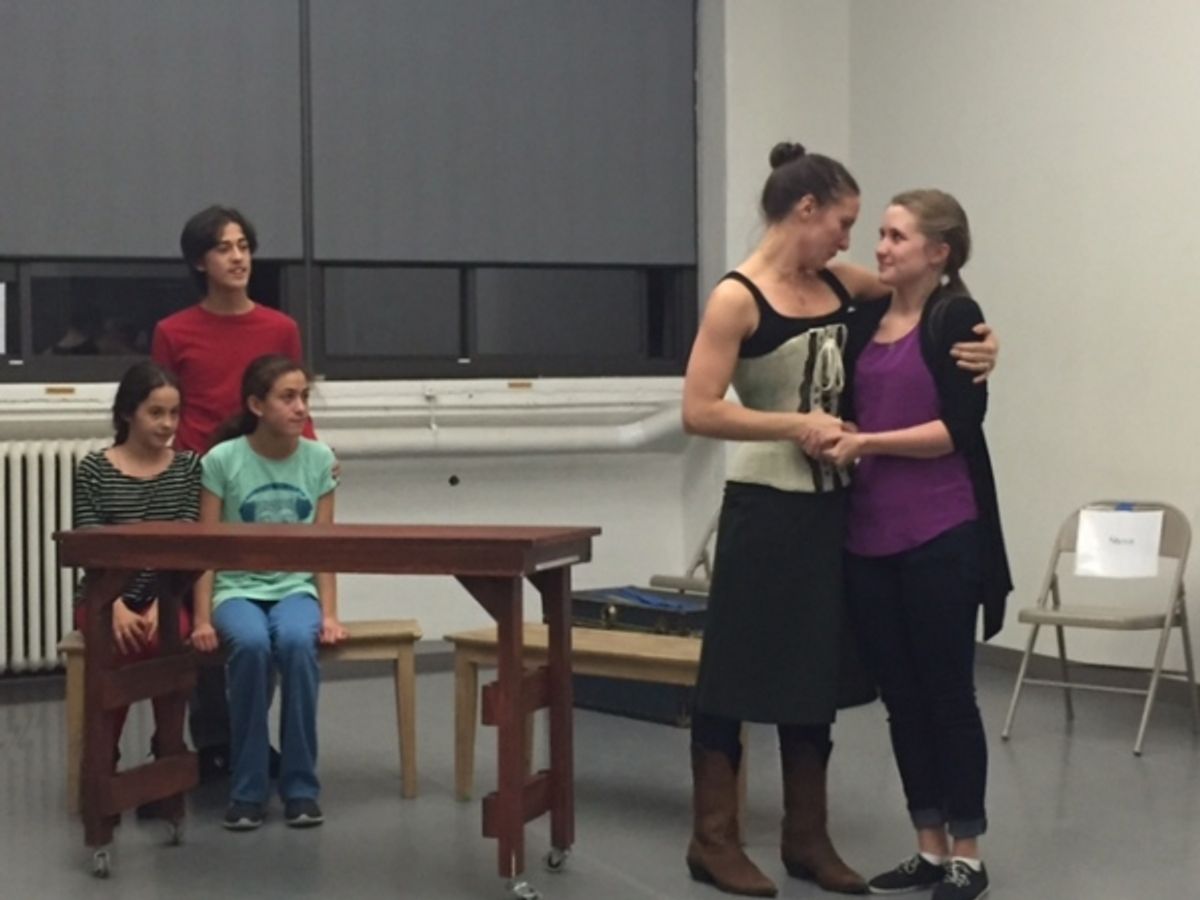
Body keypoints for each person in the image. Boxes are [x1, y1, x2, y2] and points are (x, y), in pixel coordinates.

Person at [680, 144, 998, 898]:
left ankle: (806, 837)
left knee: (811, 672)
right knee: (732, 672)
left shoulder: (837, 284)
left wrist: (985, 346)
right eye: (847, 223)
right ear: (806, 210)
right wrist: (791, 427)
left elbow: (921, 303)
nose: (856, 243)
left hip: (833, 511)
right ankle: (713, 840)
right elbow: (699, 410)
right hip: (764, 506)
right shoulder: (737, 297)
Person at [827, 190, 1010, 900]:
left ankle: (968, 848)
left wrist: (866, 442)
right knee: (901, 699)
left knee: (946, 695)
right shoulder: (867, 314)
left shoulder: (954, 317)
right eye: (879, 232)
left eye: (898, 236)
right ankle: (928, 845)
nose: (882, 246)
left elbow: (954, 431)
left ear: (940, 252)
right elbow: (824, 268)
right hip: (870, 537)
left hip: (941, 534)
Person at [152, 205, 316, 777]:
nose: (239, 256)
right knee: (202, 614)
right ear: (201, 260)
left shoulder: (279, 328)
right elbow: (162, 410)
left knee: (264, 604)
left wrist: (319, 464)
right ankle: (215, 739)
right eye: (224, 247)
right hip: (199, 486)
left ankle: (247, 734)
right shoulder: (174, 332)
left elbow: (296, 404)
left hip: (265, 486)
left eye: (244, 244)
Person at [191, 354, 346, 831]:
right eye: (288, 397)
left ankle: (300, 787)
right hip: (235, 589)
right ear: (256, 405)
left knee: (299, 644)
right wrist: (200, 619)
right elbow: (206, 548)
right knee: (253, 645)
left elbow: (325, 547)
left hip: (295, 587)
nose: (301, 408)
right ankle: (248, 789)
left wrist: (330, 613)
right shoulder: (222, 460)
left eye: (304, 397)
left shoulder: (320, 459)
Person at [72, 361, 201, 777]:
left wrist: (167, 604)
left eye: (174, 413)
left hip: (166, 595)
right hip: (104, 596)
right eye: (156, 413)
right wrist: (119, 607)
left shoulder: (186, 469)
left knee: (173, 642)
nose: (167, 424)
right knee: (120, 645)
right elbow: (91, 549)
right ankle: (103, 764)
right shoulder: (94, 470)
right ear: (128, 413)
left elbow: (185, 547)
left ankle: (166, 755)